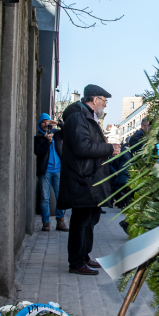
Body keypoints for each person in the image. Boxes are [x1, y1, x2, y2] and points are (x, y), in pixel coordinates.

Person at [58, 84, 121, 275]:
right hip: (82, 178)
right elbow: (82, 148)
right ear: (95, 100)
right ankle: (76, 263)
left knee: (90, 218)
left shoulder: (86, 116)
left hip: (89, 178)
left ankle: (84, 255)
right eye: (104, 101)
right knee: (81, 220)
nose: (105, 105)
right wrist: (109, 149)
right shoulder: (78, 116)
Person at [34, 114, 69, 233]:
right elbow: (38, 152)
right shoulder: (38, 137)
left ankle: (60, 221)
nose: (45, 124)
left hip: (58, 170)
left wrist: (59, 123)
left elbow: (68, 132)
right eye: (42, 122)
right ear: (39, 124)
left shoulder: (58, 134)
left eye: (47, 122)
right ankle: (46, 223)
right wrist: (47, 141)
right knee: (44, 198)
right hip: (45, 171)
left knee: (61, 197)